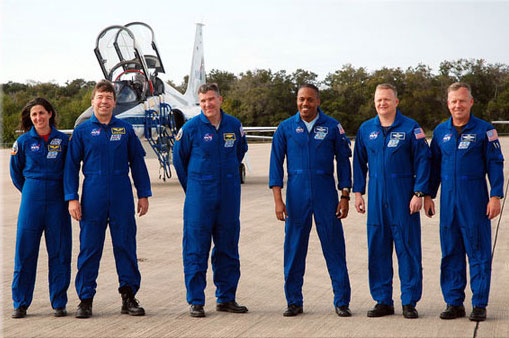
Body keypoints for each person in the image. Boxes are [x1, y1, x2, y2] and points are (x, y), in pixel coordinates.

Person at [64, 80, 151, 318]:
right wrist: (72, 198)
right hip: (93, 195)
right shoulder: (82, 131)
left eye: (108, 98)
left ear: (114, 102)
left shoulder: (125, 130)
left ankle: (129, 296)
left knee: (125, 246)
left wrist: (143, 193)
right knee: (90, 248)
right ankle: (85, 299)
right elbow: (71, 167)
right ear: (93, 101)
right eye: (100, 97)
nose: (104, 101)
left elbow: (138, 163)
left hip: (122, 194)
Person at [269, 84, 352, 317]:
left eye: (309, 100)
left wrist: (344, 196)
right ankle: (293, 301)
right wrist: (278, 199)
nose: (305, 104)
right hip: (296, 194)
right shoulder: (285, 128)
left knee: (334, 247)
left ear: (318, 101)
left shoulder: (333, 127)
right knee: (294, 248)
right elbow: (275, 165)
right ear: (296, 101)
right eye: (301, 99)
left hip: (326, 192)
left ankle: (342, 301)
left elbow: (344, 163)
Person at [424, 82, 504, 322]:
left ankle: (479, 303)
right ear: (448, 104)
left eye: (462, 100)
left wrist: (496, 196)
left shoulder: (485, 130)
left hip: (475, 199)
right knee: (450, 252)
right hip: (448, 200)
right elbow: (434, 166)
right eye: (453, 101)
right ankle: (453, 302)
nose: (457, 105)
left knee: (478, 252)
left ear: (471, 102)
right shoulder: (440, 132)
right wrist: (429, 195)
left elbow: (495, 163)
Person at [353, 83, 430, 319]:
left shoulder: (411, 128)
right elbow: (358, 163)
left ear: (396, 102)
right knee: (377, 249)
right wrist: (358, 193)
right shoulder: (366, 129)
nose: (382, 103)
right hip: (376, 197)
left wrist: (419, 193)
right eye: (378, 100)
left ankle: (409, 301)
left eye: (386, 99)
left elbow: (423, 161)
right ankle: (383, 300)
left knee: (407, 248)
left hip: (403, 197)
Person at [173, 83, 248, 318]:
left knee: (227, 248)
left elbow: (240, 152)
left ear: (220, 99)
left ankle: (226, 298)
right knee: (196, 249)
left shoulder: (234, 126)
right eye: (203, 101)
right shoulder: (191, 128)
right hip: (199, 199)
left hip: (228, 197)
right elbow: (179, 161)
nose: (207, 105)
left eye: (211, 100)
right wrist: (194, 188)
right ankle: (196, 300)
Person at [9, 98, 72, 319]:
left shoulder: (64, 141)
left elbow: (70, 171)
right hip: (32, 200)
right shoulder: (23, 142)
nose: (38, 118)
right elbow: (16, 173)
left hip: (57, 200)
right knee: (25, 252)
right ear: (30, 118)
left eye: (42, 113)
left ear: (50, 114)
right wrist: (30, 191)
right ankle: (21, 303)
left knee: (60, 251)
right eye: (34, 115)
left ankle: (59, 302)